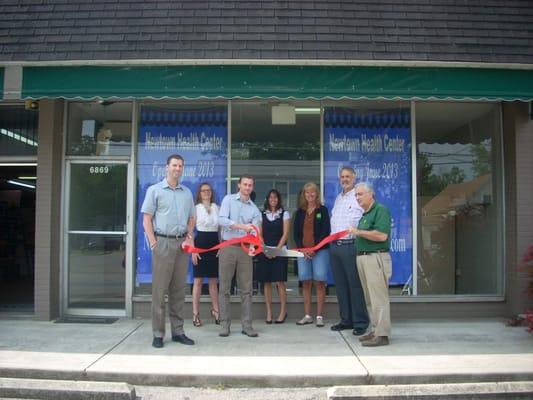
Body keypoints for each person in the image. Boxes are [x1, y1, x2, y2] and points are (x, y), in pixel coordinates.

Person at [141, 154, 195, 348]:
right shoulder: (155, 190)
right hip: (162, 243)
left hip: (182, 246)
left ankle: (178, 332)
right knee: (159, 291)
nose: (177, 168)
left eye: (180, 165)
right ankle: (158, 333)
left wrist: (189, 236)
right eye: (174, 165)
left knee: (178, 292)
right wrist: (154, 243)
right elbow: (146, 219)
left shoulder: (187, 193)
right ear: (167, 167)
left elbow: (191, 218)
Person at [218, 175, 262, 337]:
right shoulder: (228, 200)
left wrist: (254, 239)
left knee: (247, 289)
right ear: (239, 185)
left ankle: (247, 325)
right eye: (245, 184)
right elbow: (221, 220)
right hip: (228, 247)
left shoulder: (254, 210)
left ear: (252, 187)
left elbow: (257, 231)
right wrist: (242, 226)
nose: (247, 187)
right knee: (224, 289)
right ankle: (224, 325)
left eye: (250, 185)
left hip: (245, 252)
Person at [350, 182, 392, 347]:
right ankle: (375, 330)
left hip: (375, 258)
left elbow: (381, 235)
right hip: (364, 258)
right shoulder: (365, 214)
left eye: (360, 194)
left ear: (370, 194)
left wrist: (358, 232)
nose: (357, 198)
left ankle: (382, 335)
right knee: (369, 298)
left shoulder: (380, 210)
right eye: (356, 195)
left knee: (378, 298)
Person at [329, 167, 369, 336]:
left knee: (355, 285)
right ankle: (346, 320)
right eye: (342, 177)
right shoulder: (339, 198)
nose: (344, 179)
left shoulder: (358, 197)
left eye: (348, 176)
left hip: (351, 245)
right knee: (341, 286)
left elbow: (364, 219)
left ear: (354, 178)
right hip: (336, 246)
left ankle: (360, 322)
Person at [293, 182, 331, 327]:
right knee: (306, 282)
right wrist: (303, 249)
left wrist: (315, 249)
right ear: (304, 195)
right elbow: (296, 234)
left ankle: (319, 316)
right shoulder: (300, 212)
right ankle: (308, 315)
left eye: (312, 192)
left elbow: (325, 231)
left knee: (320, 282)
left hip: (320, 251)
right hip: (303, 253)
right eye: (307, 192)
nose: (310, 195)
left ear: (317, 194)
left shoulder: (323, 210)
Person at [256, 189, 290, 324]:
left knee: (280, 282)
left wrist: (276, 250)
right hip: (265, 251)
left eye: (275, 197)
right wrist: (265, 249)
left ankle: (283, 311)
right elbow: (260, 234)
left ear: (279, 199)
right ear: (267, 199)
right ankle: (269, 312)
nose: (273, 199)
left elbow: (286, 234)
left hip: (280, 251)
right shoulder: (262, 214)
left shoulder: (285, 214)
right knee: (267, 282)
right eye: (270, 197)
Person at [191, 182, 220, 327]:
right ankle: (195, 314)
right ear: (200, 193)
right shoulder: (196, 209)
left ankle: (216, 311)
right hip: (200, 246)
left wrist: (221, 246)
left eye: (208, 190)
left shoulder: (216, 208)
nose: (206, 193)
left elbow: (220, 229)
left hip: (215, 246)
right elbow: (189, 232)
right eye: (203, 191)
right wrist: (193, 250)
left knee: (214, 282)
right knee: (198, 281)